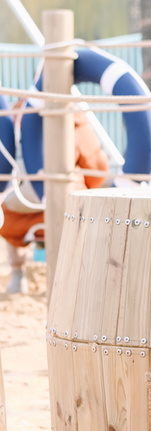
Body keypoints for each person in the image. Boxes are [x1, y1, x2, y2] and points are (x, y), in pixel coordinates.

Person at [1, 109, 110, 294]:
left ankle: (18, 274)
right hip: (67, 197)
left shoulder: (21, 114)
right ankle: (79, 277)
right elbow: (98, 169)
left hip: (26, 199)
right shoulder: (76, 121)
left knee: (6, 208)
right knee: (77, 203)